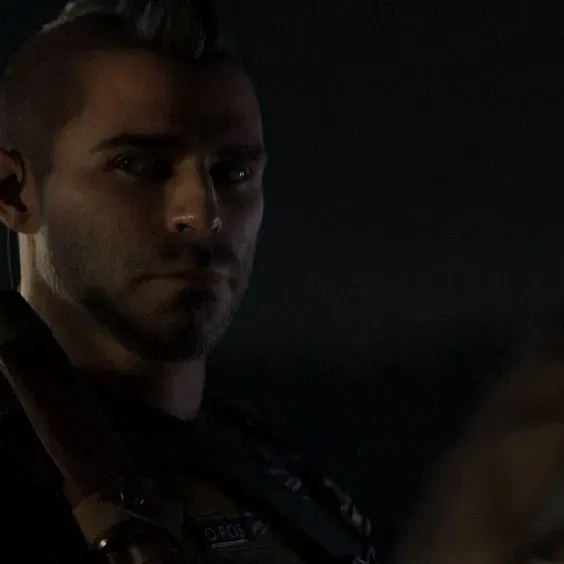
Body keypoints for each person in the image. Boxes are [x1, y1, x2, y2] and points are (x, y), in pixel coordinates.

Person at [0, 1, 374, 562]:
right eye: (137, 165)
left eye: (234, 172)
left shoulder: (281, 478)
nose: (202, 214)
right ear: (14, 191)